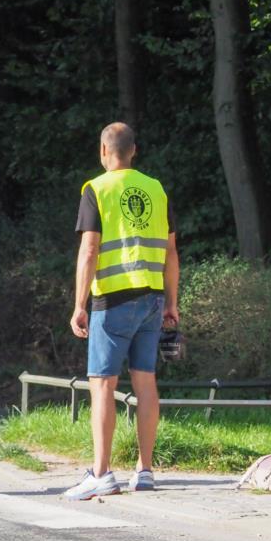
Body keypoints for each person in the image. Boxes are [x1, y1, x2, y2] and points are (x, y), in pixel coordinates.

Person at [66, 123, 179, 500]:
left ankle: (100, 473)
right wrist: (172, 304)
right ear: (134, 151)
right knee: (145, 382)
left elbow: (89, 251)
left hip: (112, 302)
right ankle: (144, 471)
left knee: (102, 385)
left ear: (103, 150)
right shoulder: (157, 189)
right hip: (152, 299)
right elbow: (171, 252)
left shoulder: (96, 189)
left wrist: (79, 305)